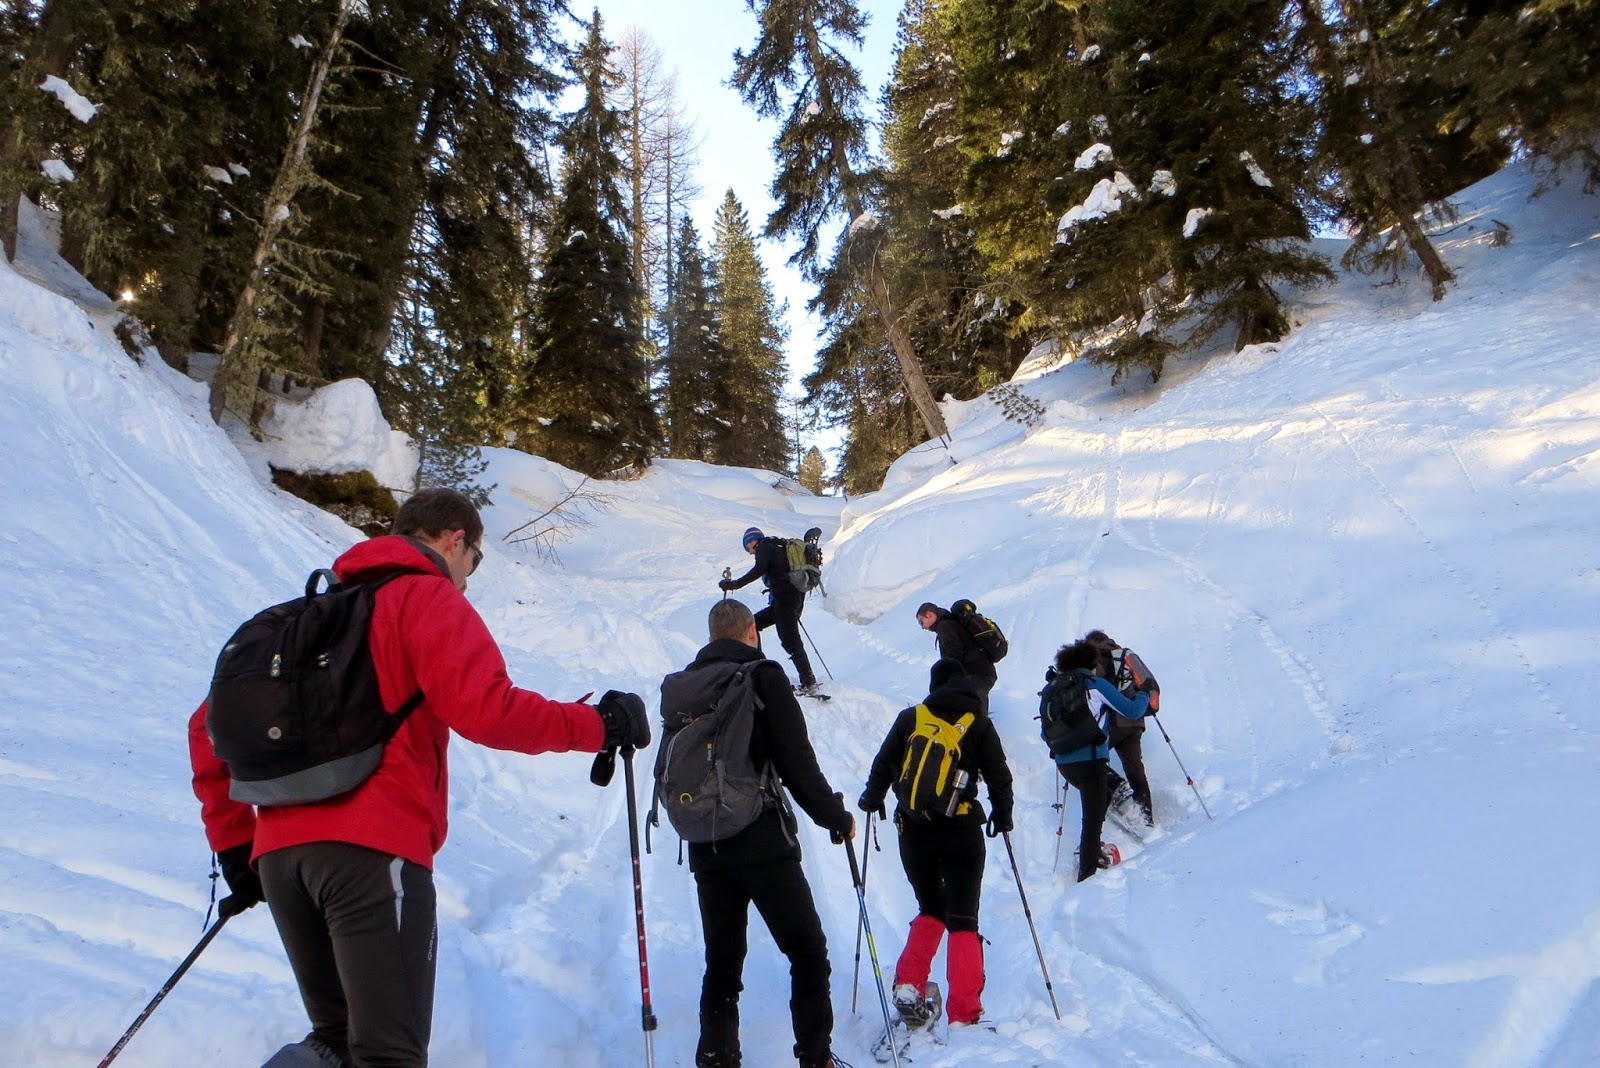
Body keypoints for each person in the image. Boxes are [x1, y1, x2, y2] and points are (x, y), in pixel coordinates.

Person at [189, 488, 651, 1068]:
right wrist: (597, 725)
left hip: (283, 862)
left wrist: (237, 847)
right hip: (372, 855)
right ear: (455, 540)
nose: (467, 579)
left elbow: (205, 728)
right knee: (389, 1054)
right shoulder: (424, 597)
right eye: (474, 563)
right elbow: (489, 711)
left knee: (335, 1040)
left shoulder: (315, 615)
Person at [664, 598, 856, 1068]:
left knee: (723, 964)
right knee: (807, 949)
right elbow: (796, 761)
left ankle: (716, 1057)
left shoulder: (686, 687)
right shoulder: (762, 676)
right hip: (762, 839)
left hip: (706, 842)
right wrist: (835, 817)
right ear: (752, 630)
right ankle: (816, 1058)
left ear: (712, 636)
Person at [857, 659, 1014, 1028]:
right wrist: (1002, 816)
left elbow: (883, 764)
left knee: (931, 908)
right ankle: (963, 1014)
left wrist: (871, 799)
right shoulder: (978, 723)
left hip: (914, 832)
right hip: (961, 831)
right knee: (963, 919)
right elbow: (999, 777)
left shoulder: (913, 717)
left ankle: (909, 985)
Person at [1048, 639, 1153, 883]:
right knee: (1091, 821)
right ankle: (1087, 877)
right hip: (1092, 761)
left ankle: (1093, 850)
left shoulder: (1054, 687)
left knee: (1097, 806)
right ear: (1090, 663)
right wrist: (1145, 694)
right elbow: (1132, 711)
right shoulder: (1095, 684)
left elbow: (1046, 731)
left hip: (1065, 764)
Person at [720, 526, 820, 696]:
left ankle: (808, 681)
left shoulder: (764, 547)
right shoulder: (775, 546)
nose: (749, 551)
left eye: (747, 546)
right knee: (753, 623)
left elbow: (758, 569)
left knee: (790, 640)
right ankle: (759, 664)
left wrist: (734, 585)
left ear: (752, 541)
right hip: (790, 598)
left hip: (785, 600)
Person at [1085, 629, 1155, 828]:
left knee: (1094, 762)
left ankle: (1117, 796)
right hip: (1135, 723)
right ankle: (1146, 819)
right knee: (1136, 770)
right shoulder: (1125, 656)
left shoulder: (1096, 659)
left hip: (1112, 722)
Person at [915, 603, 998, 697]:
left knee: (968, 704)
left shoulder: (944, 626)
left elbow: (954, 654)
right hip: (983, 671)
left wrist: (949, 677)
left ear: (929, 614)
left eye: (921, 622)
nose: (922, 627)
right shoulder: (951, 621)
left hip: (975, 673)